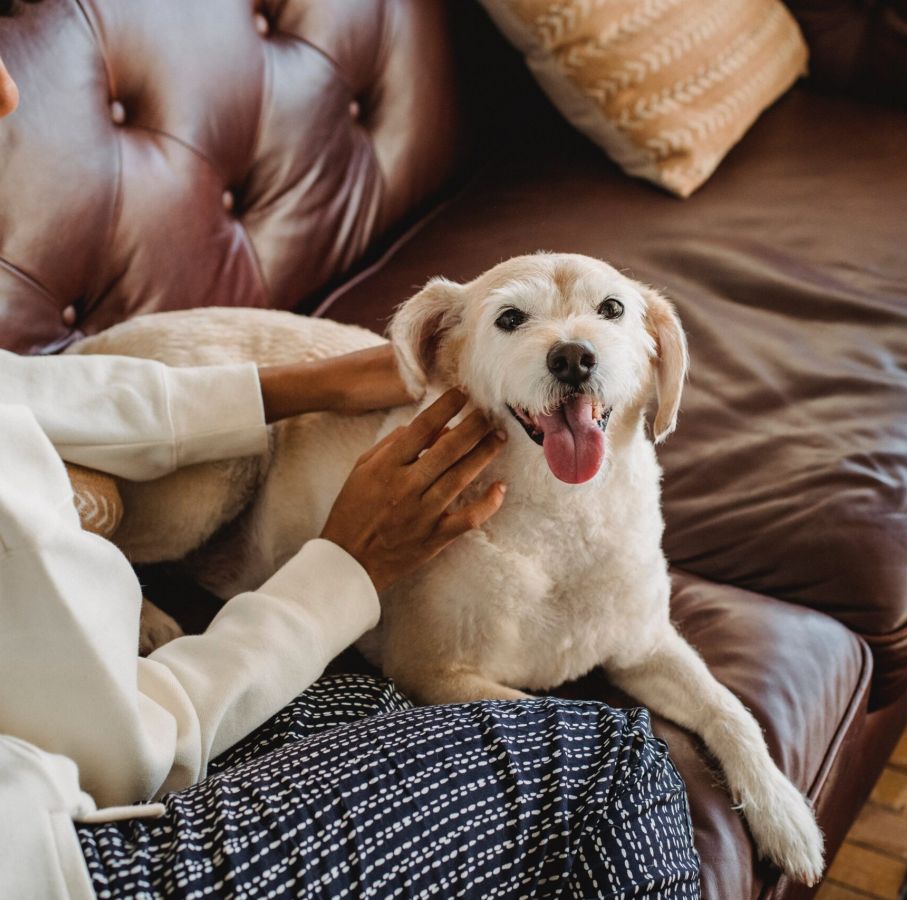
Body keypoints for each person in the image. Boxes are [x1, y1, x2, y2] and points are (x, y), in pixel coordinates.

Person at [0, 11, 701, 899]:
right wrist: (348, 562)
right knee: (613, 766)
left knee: (406, 697)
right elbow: (131, 747)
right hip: (73, 853)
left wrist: (306, 386)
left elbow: (22, 388)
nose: (10, 88)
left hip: (93, 730)